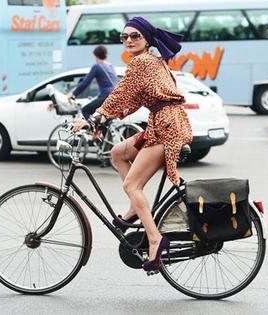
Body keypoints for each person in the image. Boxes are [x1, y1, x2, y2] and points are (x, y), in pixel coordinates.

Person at [72, 16, 193, 273]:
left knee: (131, 184)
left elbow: (120, 93)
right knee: (117, 152)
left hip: (166, 127)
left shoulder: (142, 62)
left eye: (134, 36)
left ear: (147, 39)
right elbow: (133, 99)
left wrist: (92, 118)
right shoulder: (153, 61)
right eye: (124, 37)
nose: (128, 40)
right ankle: (134, 207)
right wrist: (103, 121)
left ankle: (155, 239)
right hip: (163, 123)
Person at [49, 45, 118, 119]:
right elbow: (109, 84)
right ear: (106, 55)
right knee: (101, 115)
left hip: (106, 97)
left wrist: (72, 94)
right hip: (114, 96)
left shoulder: (97, 66)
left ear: (95, 56)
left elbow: (85, 83)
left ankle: (93, 128)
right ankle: (105, 129)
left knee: (85, 110)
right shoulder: (110, 66)